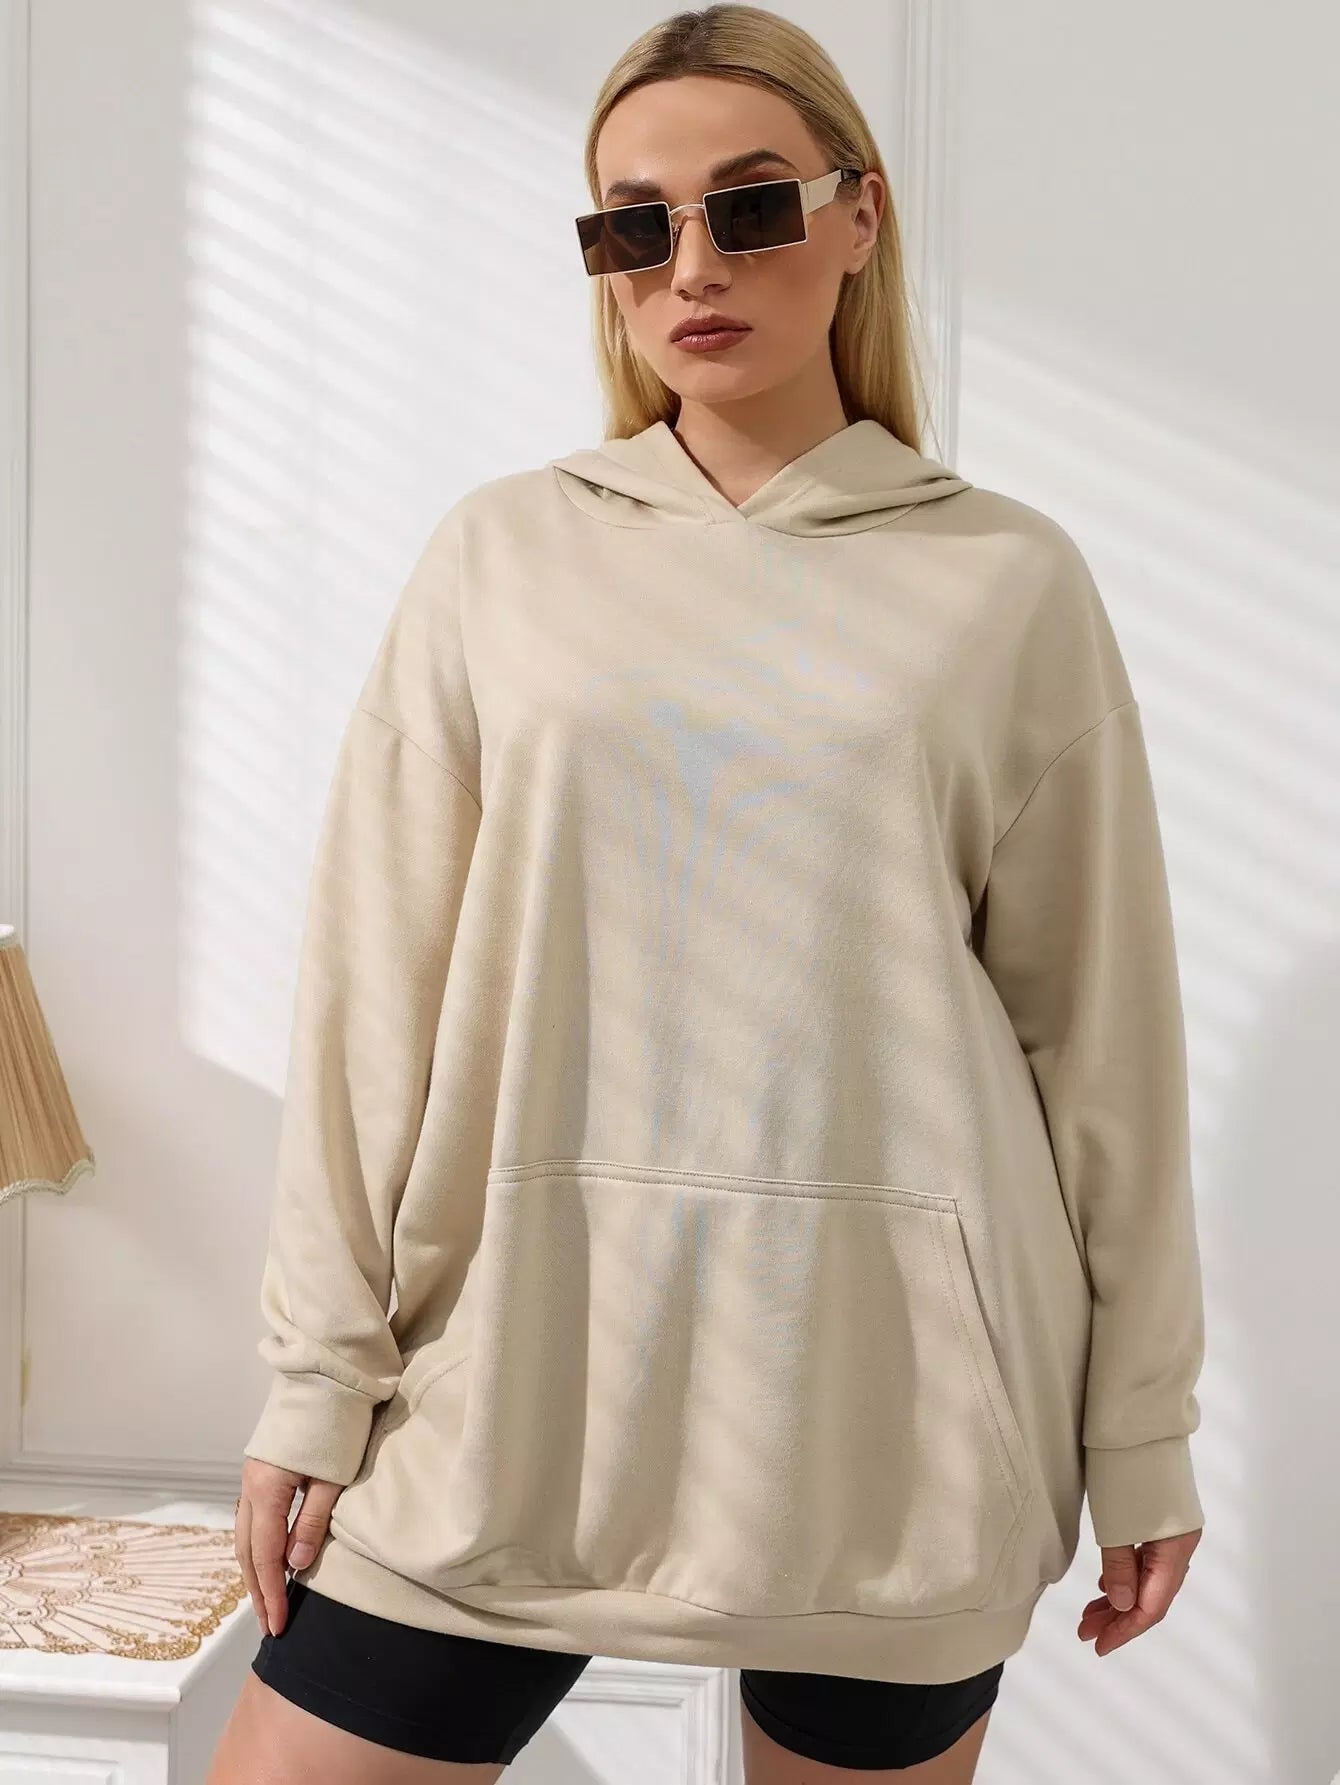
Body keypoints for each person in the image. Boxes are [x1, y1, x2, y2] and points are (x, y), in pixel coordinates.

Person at [207, 6, 1207, 1780]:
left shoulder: (1005, 578)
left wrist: (1140, 1433)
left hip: (885, 1418)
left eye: (750, 206)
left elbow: (1101, 1045)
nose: (690, 267)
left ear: (859, 216)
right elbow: (373, 993)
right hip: (508, 1378)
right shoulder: (502, 554)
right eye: (631, 223)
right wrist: (316, 1376)